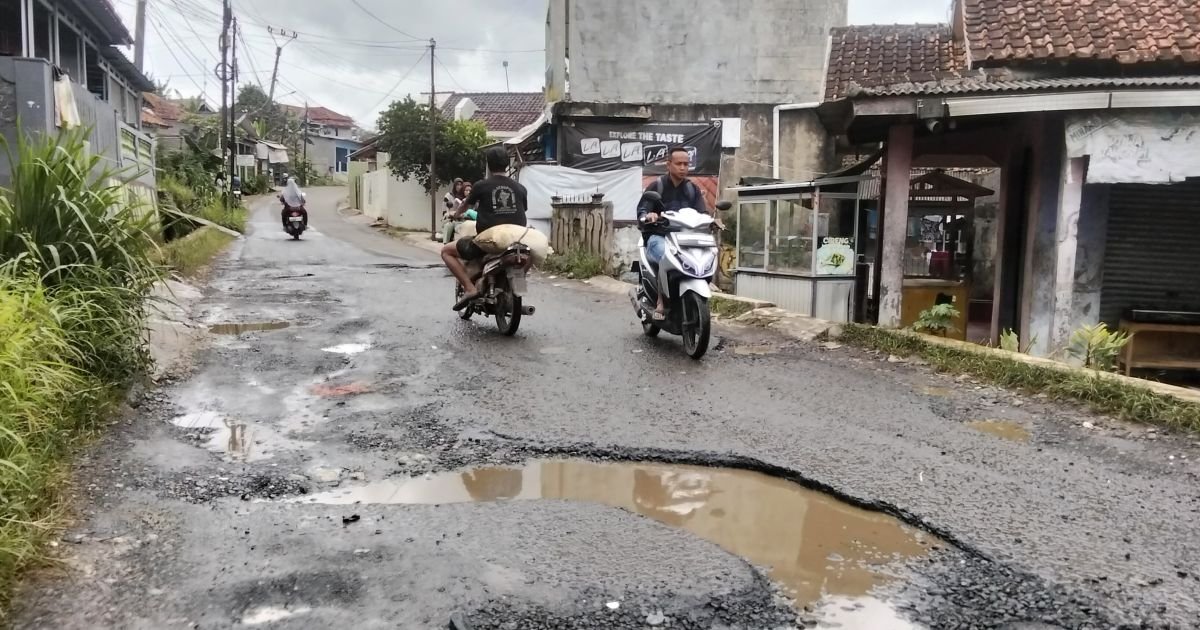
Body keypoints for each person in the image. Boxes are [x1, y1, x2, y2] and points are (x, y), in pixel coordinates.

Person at [442, 146, 528, 311]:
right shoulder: (520, 188)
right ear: (507, 164)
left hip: (489, 241)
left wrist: (454, 214)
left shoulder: (481, 186)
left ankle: (469, 288)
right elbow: (522, 210)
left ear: (488, 165)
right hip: (515, 239)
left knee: (446, 251)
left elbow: (465, 205)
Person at [637, 147, 708, 320]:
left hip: (683, 238)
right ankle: (661, 300)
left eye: (686, 164)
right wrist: (648, 215)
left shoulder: (692, 189)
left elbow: (701, 214)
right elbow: (642, 210)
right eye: (679, 164)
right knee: (665, 255)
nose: (683, 168)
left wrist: (712, 221)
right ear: (669, 165)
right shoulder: (657, 186)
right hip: (658, 236)